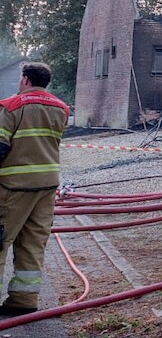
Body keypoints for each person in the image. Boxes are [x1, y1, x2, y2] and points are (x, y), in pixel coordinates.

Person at [0, 62, 68, 316]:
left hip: (12, 186)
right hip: (46, 186)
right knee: (32, 242)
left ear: (26, 80)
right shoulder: (61, 108)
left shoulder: (11, 106)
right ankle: (24, 300)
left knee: (0, 241)